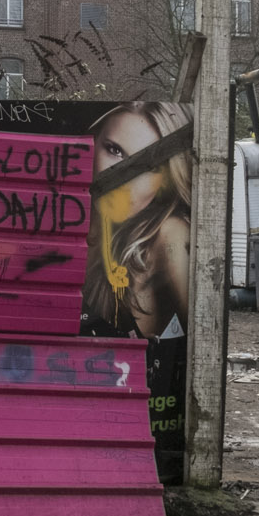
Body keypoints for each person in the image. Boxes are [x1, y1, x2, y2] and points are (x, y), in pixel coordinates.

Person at [80, 102, 192, 339]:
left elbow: (204, 334)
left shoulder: (168, 234)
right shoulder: (65, 233)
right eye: (115, 151)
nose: (123, 178)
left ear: (167, 180)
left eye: (148, 167)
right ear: (91, 144)